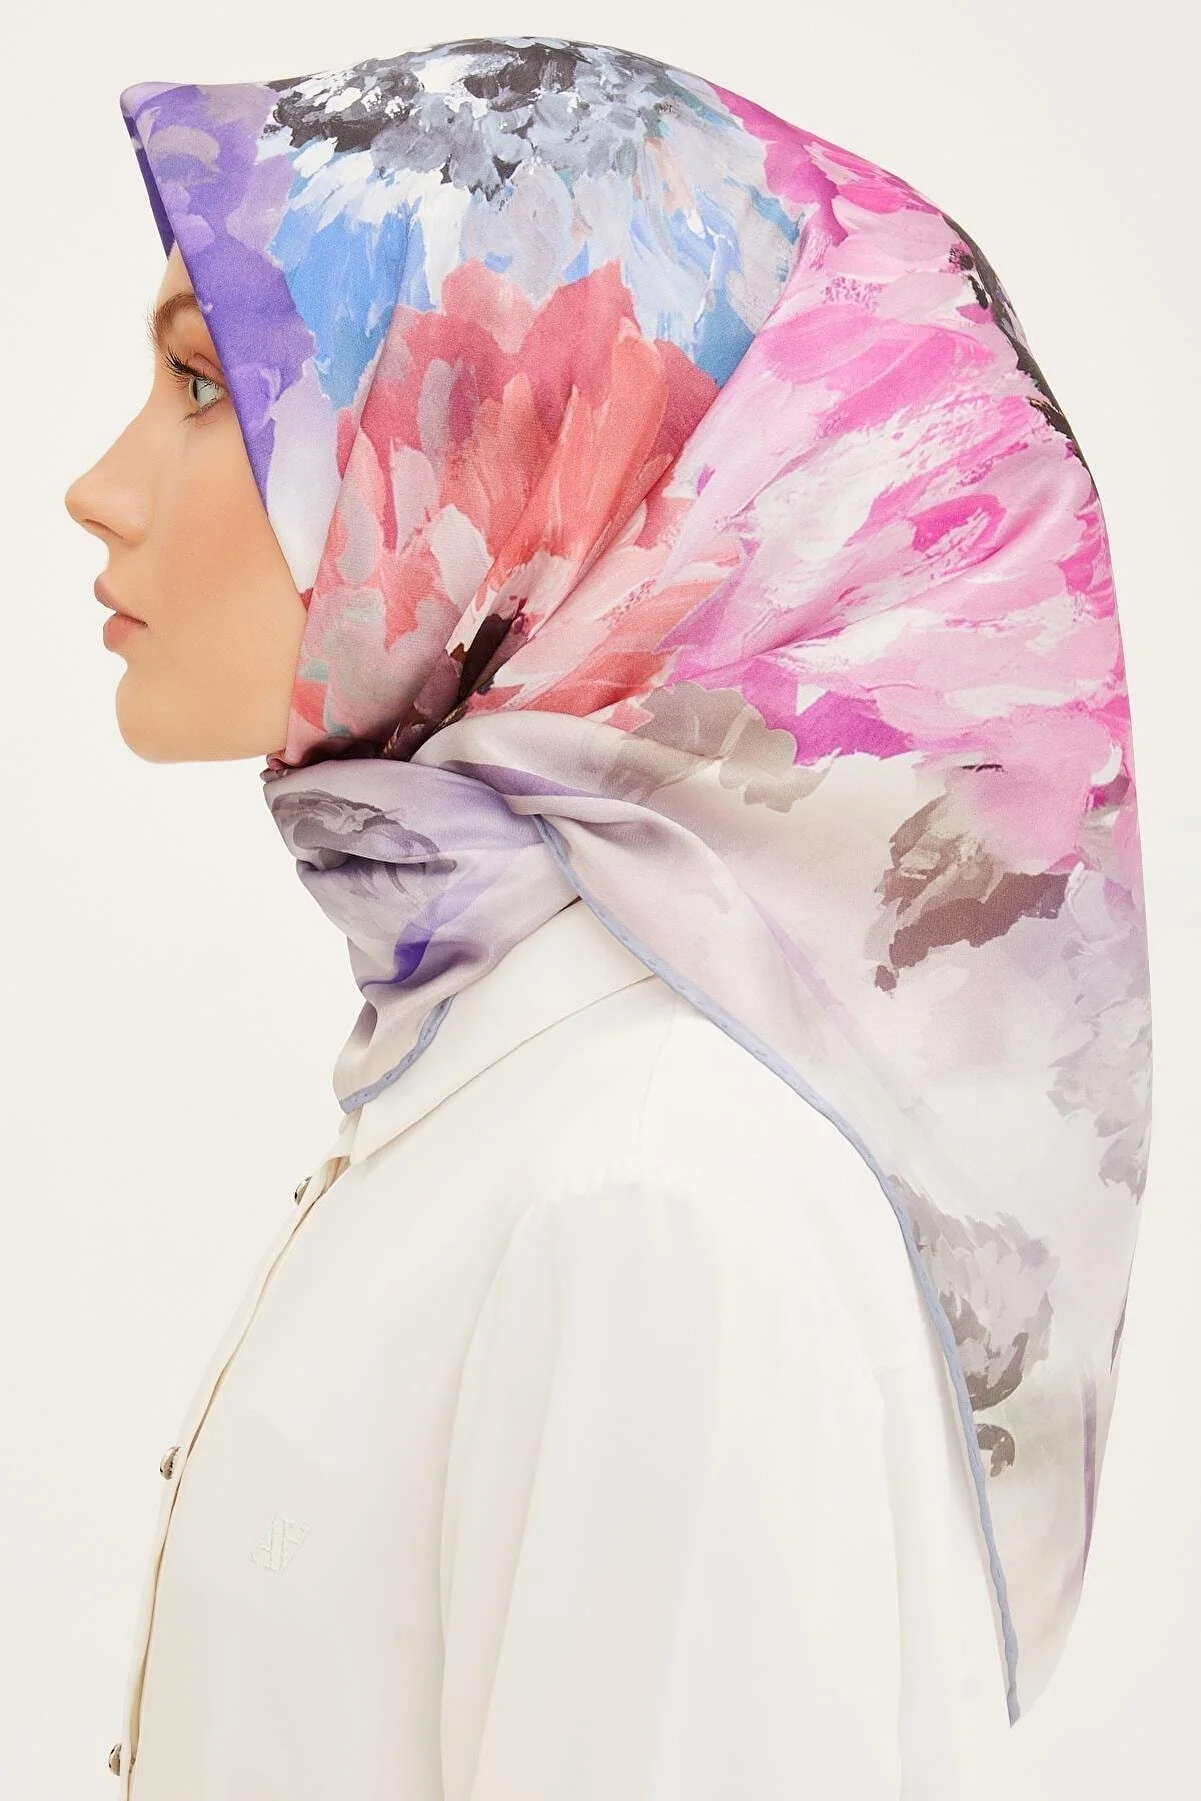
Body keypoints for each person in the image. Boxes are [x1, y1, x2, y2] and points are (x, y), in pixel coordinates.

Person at [64, 34, 1152, 1800]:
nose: (98, 489)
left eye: (203, 384)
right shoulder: (515, 1099)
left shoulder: (653, 1197)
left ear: (510, 465)